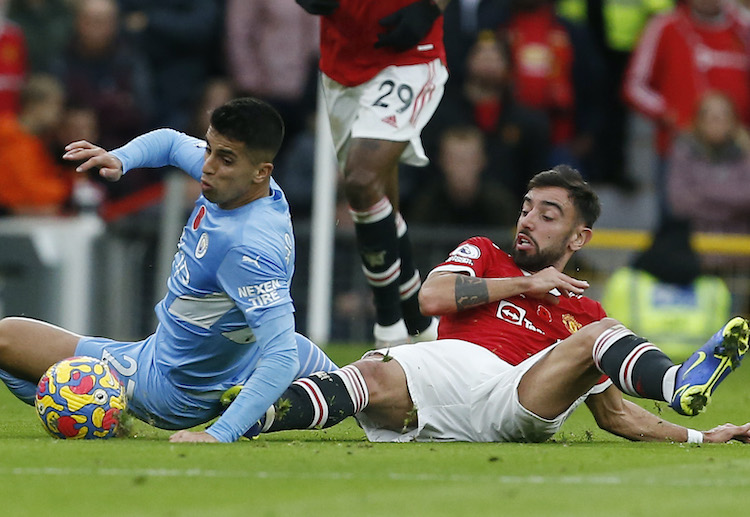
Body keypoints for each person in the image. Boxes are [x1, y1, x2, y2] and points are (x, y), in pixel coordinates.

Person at [247, 165, 750, 444]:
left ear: (580, 237)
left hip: (518, 399)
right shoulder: (485, 254)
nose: (527, 221)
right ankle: (248, 419)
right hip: (445, 380)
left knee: (601, 333)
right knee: (369, 373)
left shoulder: (586, 317)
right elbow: (432, 297)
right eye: (526, 209)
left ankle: (678, 384)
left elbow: (616, 416)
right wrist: (523, 286)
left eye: (547, 215)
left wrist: (704, 437)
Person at [0, 97, 337, 443]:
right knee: (364, 388)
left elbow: (282, 356)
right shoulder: (239, 185)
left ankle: (99, 406)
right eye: (209, 149)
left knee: (5, 337)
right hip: (229, 357)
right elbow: (172, 142)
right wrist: (121, 158)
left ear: (260, 171)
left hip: (173, 387)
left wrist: (217, 436)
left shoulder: (246, 245)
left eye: (225, 159)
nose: (207, 166)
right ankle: (261, 404)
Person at [295, 0, 450, 346]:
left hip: (409, 54)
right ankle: (420, 322)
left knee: (361, 181)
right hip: (344, 62)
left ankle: (387, 329)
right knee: (378, 201)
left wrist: (430, 7)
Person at [623, 0, 750, 210]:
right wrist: (671, 115)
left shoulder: (743, 29)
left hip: (737, 154)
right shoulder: (665, 26)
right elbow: (634, 86)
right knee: (677, 226)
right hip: (680, 152)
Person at [602, 216, 732, 359]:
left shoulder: (625, 281)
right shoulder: (713, 287)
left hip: (639, 359)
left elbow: (608, 326)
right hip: (699, 362)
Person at [666, 92, 750, 235]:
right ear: (698, 120)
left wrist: (704, 193)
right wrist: (730, 205)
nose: (716, 120)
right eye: (710, 115)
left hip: (740, 244)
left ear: (734, 120)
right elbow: (679, 202)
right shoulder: (684, 152)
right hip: (693, 242)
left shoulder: (745, 152)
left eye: (723, 115)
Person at [0, 73, 75, 215]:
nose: (59, 114)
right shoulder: (11, 137)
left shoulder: (34, 140)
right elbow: (28, 191)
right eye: (55, 105)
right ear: (35, 105)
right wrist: (69, 187)